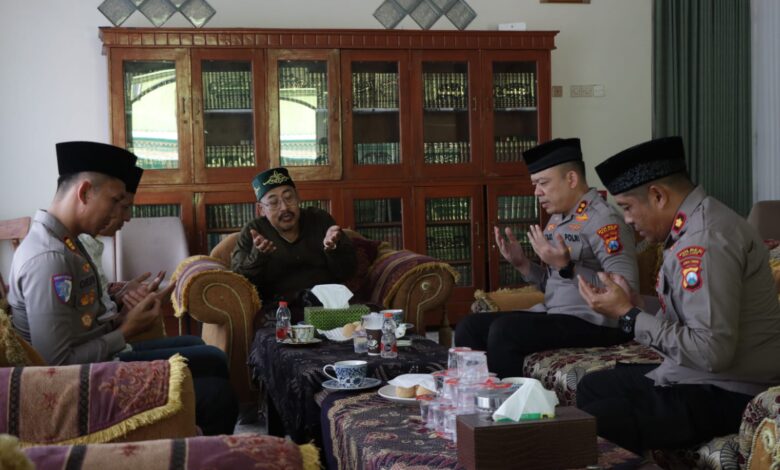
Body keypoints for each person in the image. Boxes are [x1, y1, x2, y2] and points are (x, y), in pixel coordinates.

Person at [9, 141, 237, 435]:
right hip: (75, 389)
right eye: (116, 200)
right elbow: (57, 365)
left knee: (213, 362)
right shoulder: (49, 258)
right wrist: (127, 330)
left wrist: (123, 306)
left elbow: (81, 322)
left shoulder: (68, 242)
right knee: (217, 395)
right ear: (84, 192)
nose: (125, 215)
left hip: (95, 367)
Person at [576, 136, 780, 454]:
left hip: (732, 390)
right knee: (593, 386)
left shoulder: (705, 240)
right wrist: (635, 304)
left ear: (658, 196)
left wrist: (628, 316)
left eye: (628, 207)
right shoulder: (691, 227)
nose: (627, 219)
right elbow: (688, 313)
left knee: (602, 418)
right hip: (698, 376)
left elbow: (712, 353)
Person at [455, 138, 639, 378]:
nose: (537, 192)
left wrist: (567, 267)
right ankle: (474, 395)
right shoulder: (558, 219)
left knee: (505, 331)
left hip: (598, 322)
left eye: (543, 183)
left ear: (571, 179)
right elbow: (555, 284)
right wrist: (523, 265)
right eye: (535, 184)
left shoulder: (604, 220)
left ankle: (513, 401)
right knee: (469, 326)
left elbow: (626, 292)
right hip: (557, 314)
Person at [231, 167, 357, 324]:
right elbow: (237, 280)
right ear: (261, 209)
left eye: (289, 198)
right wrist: (258, 256)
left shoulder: (320, 220)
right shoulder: (254, 232)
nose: (284, 207)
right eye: (273, 202)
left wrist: (333, 250)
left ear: (298, 198)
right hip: (279, 313)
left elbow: (348, 271)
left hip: (327, 309)